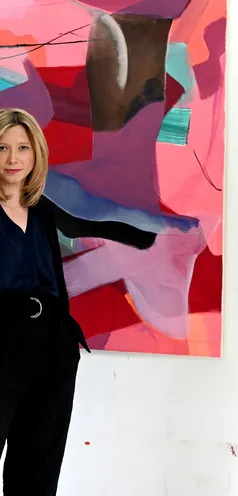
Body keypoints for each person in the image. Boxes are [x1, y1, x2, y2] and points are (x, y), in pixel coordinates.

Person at [0, 108, 90, 495]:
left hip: (51, 351)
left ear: (36, 152)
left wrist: (65, 345)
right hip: (2, 346)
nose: (13, 158)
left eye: (23, 147)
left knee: (38, 473)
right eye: (2, 147)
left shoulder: (41, 213)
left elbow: (56, 285)